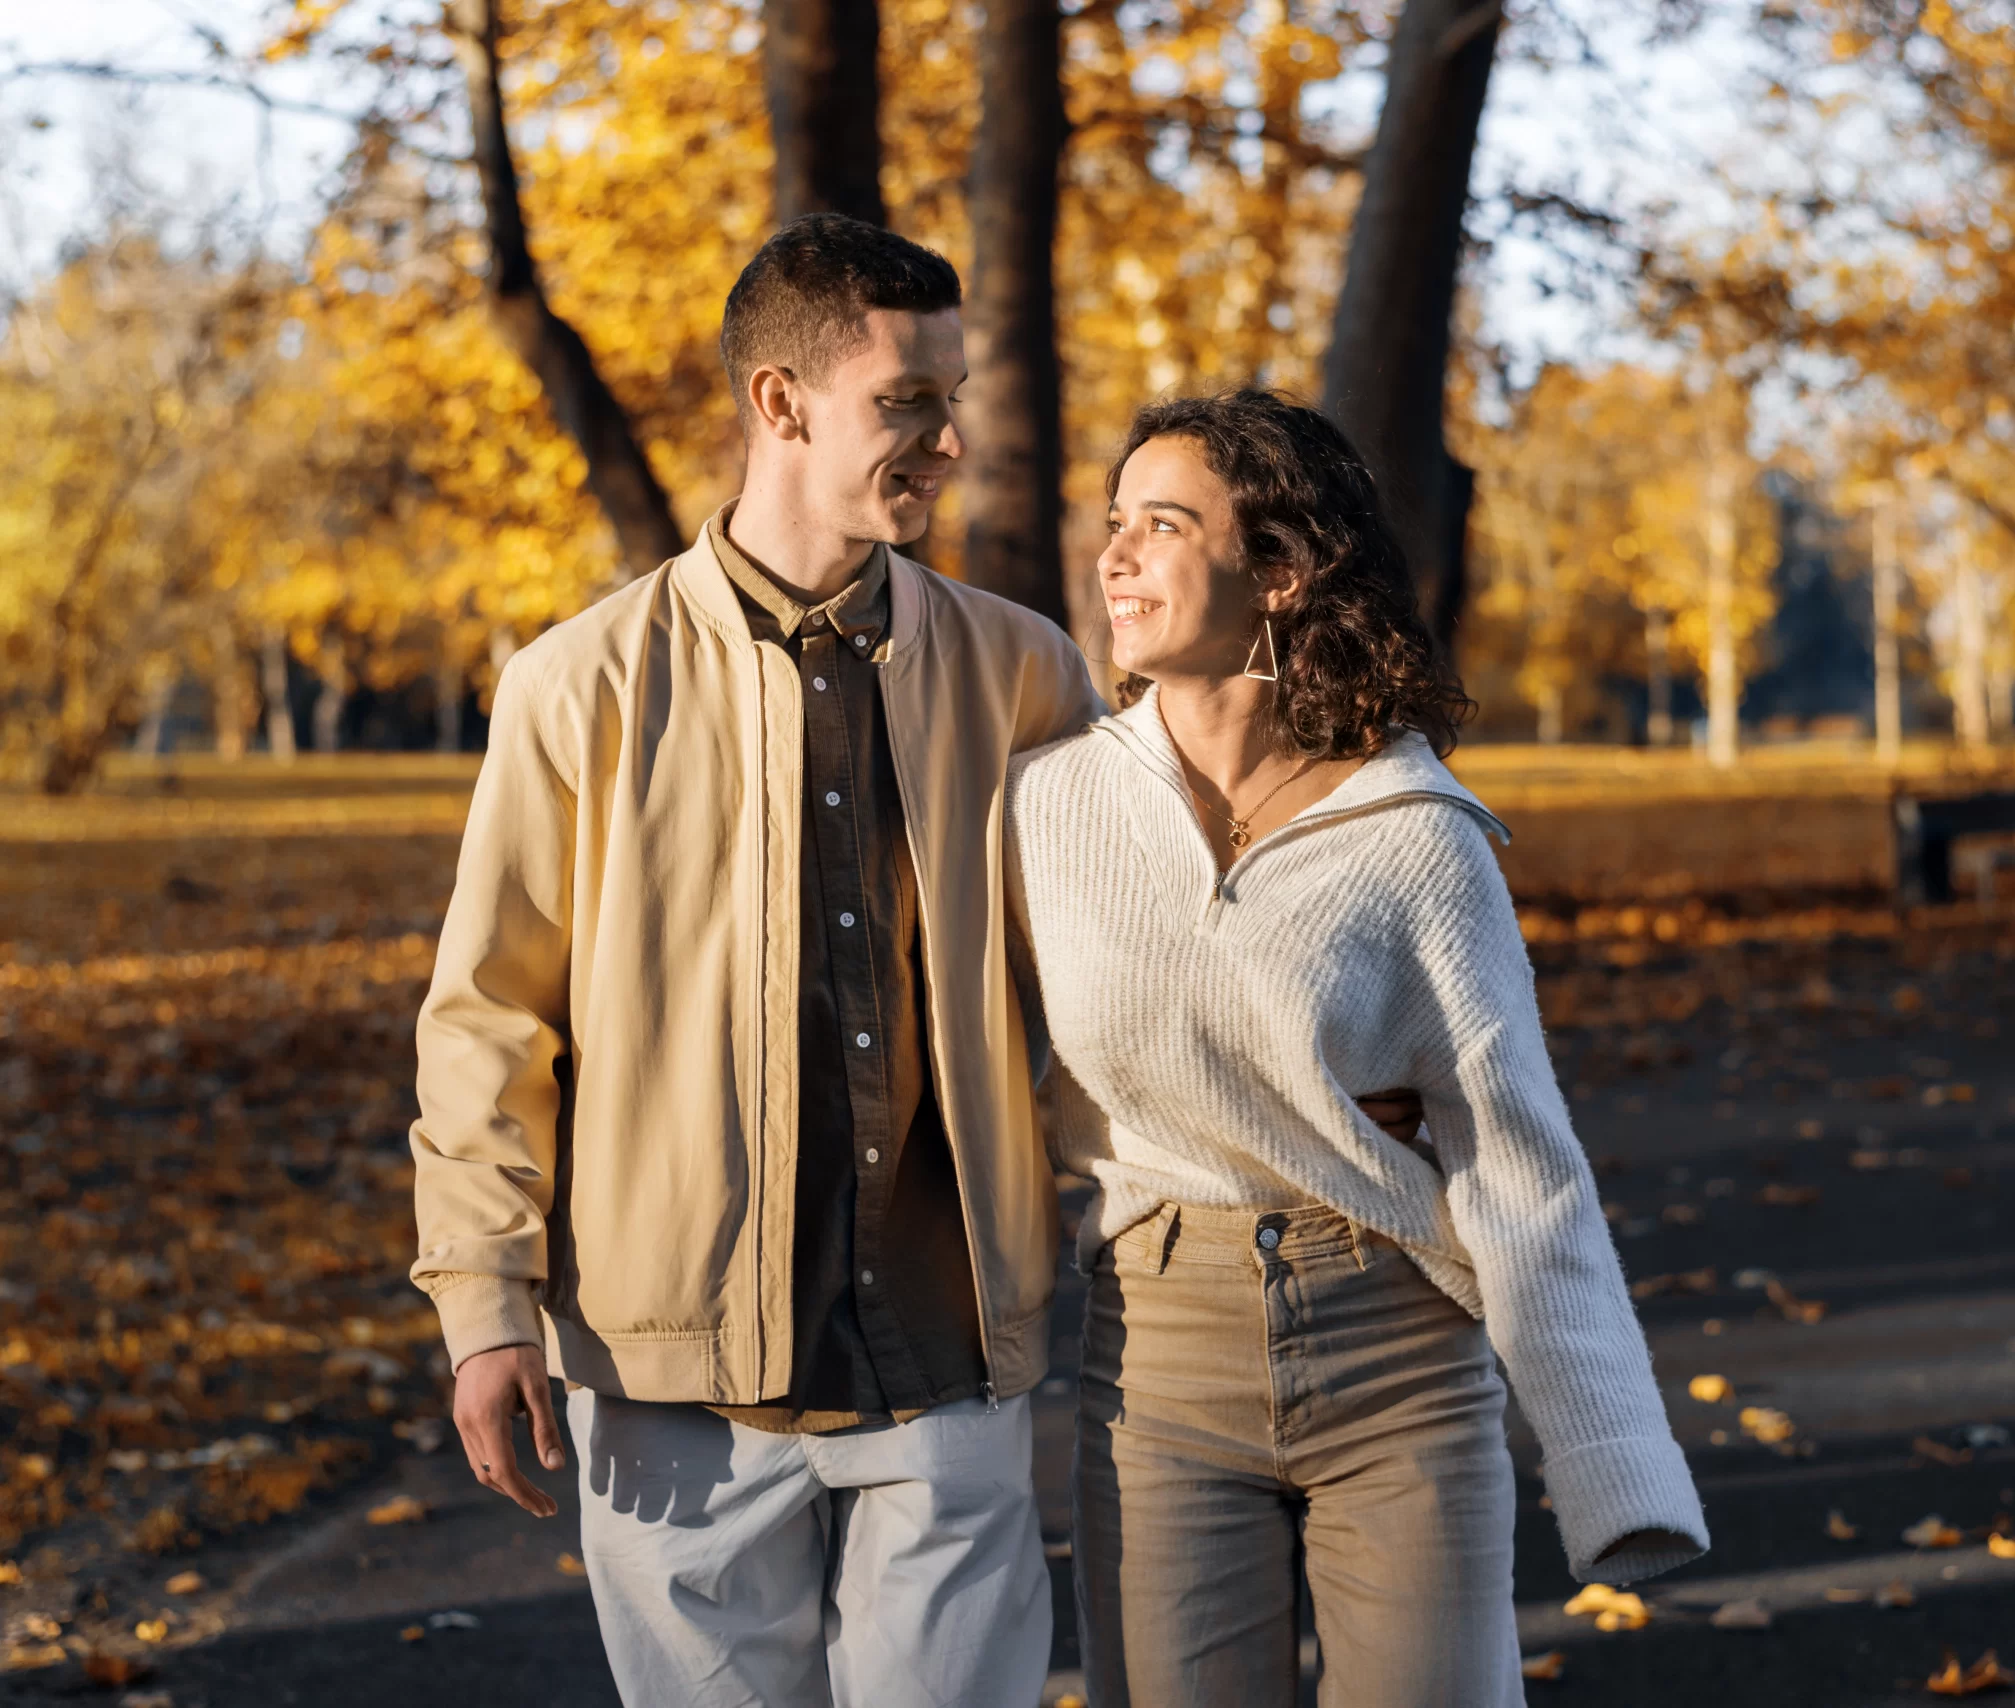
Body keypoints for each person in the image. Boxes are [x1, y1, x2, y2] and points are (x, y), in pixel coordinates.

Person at [408, 215, 1107, 1708]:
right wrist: (484, 1304)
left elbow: (1115, 984)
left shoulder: (1027, 671)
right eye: (906, 403)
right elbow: (490, 1022)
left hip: (952, 1349)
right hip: (676, 1390)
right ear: (779, 405)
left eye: (951, 398)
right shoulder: (576, 688)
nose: (946, 439)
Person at [1006, 389, 1710, 1708]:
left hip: (1397, 1352)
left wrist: (1616, 1465)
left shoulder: (1415, 834)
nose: (1115, 557)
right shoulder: (1047, 809)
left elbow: (1516, 1163)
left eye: (1163, 524)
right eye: (1113, 524)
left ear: (1276, 570)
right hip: (1156, 1360)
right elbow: (972, 1065)